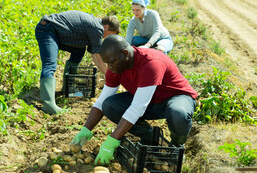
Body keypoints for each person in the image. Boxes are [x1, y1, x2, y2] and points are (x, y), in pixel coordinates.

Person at [70, 35, 197, 165]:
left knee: (178, 113)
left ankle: (175, 147)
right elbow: (102, 101)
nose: (110, 67)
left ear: (125, 53)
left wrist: (112, 140)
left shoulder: (150, 63)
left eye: (112, 62)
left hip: (175, 97)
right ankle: (151, 138)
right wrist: (86, 130)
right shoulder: (116, 67)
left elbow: (137, 107)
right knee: (109, 105)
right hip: (149, 101)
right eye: (107, 63)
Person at [35, 10, 120, 115]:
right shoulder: (97, 28)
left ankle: (66, 88)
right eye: (110, 34)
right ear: (106, 27)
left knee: (79, 50)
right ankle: (48, 105)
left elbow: (95, 53)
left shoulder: (94, 24)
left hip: (56, 32)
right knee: (50, 65)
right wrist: (110, 76)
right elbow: (97, 58)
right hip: (47, 30)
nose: (106, 37)